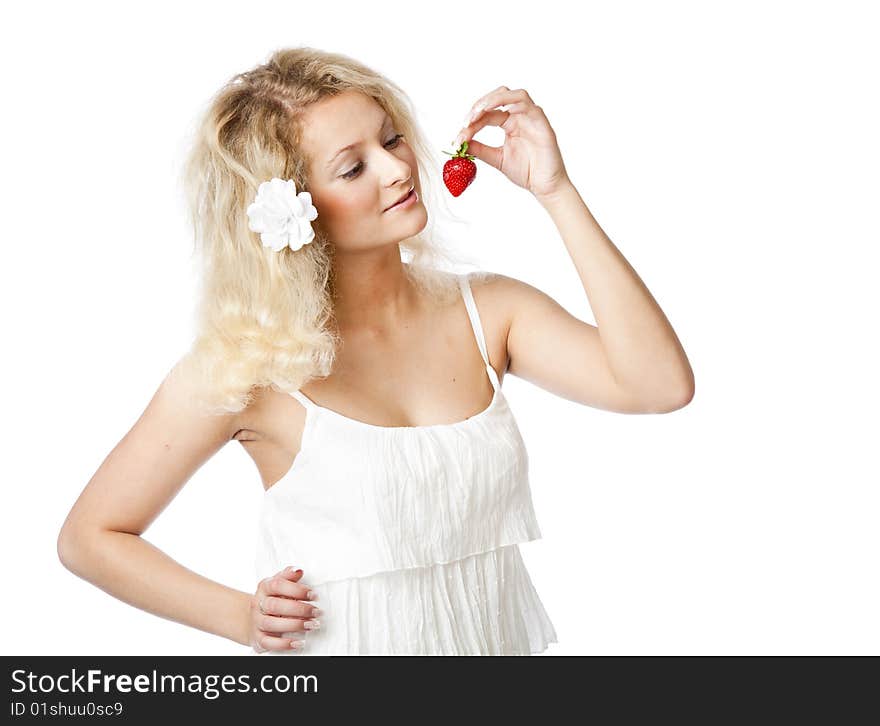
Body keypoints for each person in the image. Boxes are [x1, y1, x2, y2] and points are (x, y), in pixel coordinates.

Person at [57, 47, 695, 655]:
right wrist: (239, 617)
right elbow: (90, 537)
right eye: (353, 166)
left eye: (390, 139)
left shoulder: (491, 313)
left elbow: (659, 386)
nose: (398, 168)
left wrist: (555, 191)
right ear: (291, 210)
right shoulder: (249, 369)